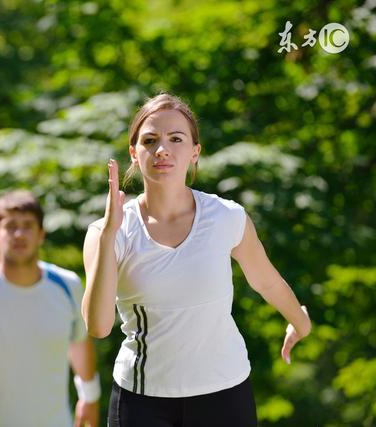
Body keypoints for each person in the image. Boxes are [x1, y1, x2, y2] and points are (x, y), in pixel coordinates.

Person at [82, 93, 312, 426]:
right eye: (150, 140)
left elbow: (266, 281)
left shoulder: (225, 217)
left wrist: (300, 322)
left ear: (194, 152)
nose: (162, 149)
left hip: (225, 394)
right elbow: (99, 327)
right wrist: (107, 237)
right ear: (134, 153)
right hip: (142, 401)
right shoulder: (108, 232)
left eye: (176, 139)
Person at [0, 190, 100, 427]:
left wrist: (90, 398)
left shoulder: (67, 286)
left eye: (28, 225)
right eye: (10, 226)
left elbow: (79, 344)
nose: (19, 234)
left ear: (41, 234)